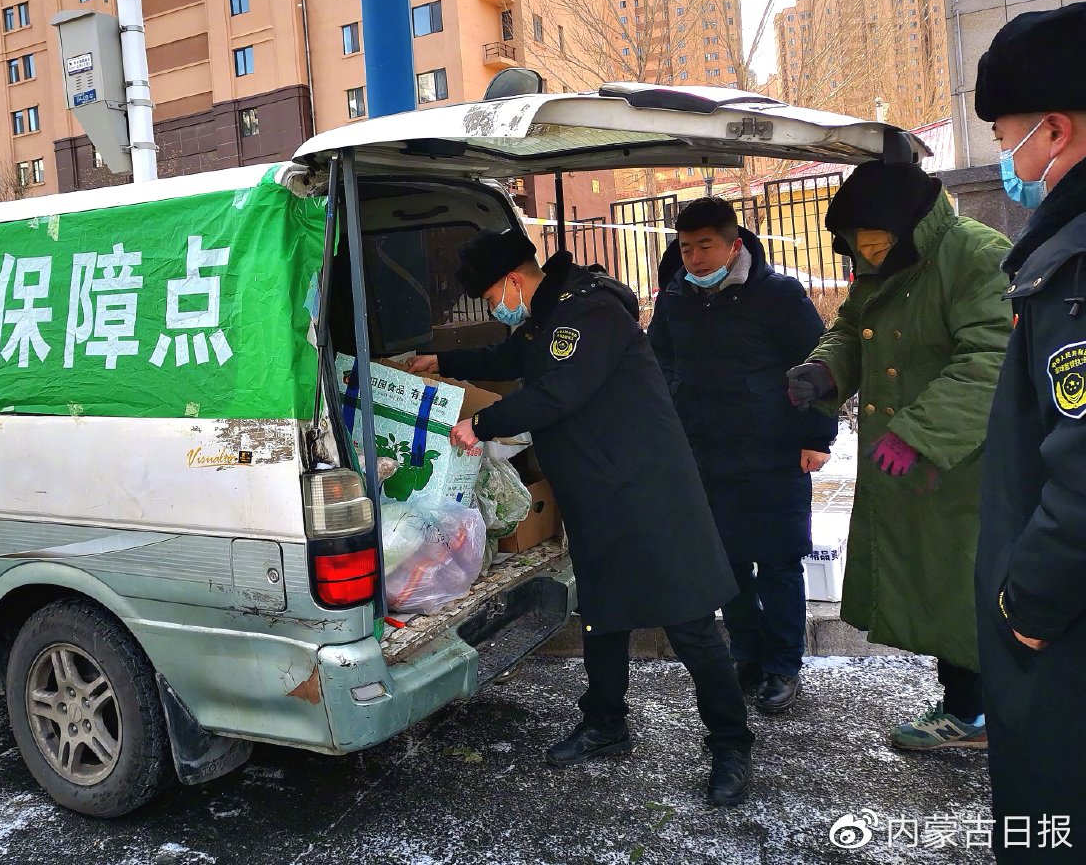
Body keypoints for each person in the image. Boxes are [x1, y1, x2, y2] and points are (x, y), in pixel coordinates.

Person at [407, 230, 756, 807]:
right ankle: (605, 723)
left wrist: (483, 423)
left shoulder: (587, 313)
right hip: (596, 491)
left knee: (690, 619)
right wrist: (443, 359)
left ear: (513, 281)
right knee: (603, 612)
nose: (497, 309)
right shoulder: (546, 316)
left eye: (494, 297)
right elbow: (511, 357)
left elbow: (559, 392)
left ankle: (731, 744)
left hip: (648, 491)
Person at [786, 161, 1012, 752]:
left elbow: (991, 358)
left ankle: (978, 714)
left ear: (907, 226)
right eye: (858, 246)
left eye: (875, 243)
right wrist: (825, 368)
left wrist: (919, 434)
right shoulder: (886, 264)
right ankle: (968, 706)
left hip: (961, 464)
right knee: (937, 587)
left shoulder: (975, 254)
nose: (866, 255)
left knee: (964, 585)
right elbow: (852, 327)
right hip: (906, 464)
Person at [972, 1, 1086, 861]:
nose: (1004, 164)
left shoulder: (1075, 267)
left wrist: (1028, 600)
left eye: (1007, 139)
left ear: (1054, 131)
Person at [649, 198, 836, 715]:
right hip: (705, 453)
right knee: (725, 563)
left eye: (706, 245)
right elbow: (659, 358)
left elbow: (818, 365)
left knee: (777, 561)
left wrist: (817, 437)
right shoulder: (674, 299)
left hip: (774, 452)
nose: (695, 258)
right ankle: (746, 652)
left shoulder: (777, 296)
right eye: (686, 248)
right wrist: (674, 406)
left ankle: (783, 665)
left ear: (733, 244)